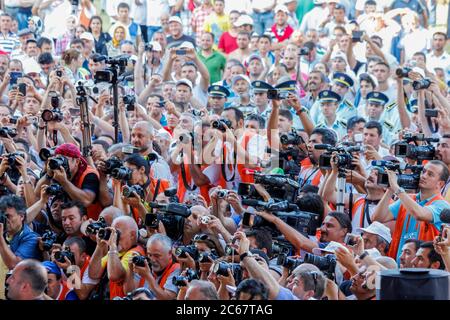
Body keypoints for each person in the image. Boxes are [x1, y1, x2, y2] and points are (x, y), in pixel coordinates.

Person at [373, 160, 450, 262]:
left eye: (430, 174)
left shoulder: (442, 205)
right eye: (424, 171)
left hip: (423, 270)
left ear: (440, 184)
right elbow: (378, 217)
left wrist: (397, 188)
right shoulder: (407, 198)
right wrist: (390, 189)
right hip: (400, 265)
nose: (424, 176)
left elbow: (420, 214)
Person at [125, 234, 180, 299]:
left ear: (170, 253)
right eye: (150, 255)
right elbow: (129, 292)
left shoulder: (176, 268)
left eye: (157, 256)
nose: (152, 260)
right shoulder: (144, 264)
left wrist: (148, 276)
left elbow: (167, 298)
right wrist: (130, 269)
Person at [0, 195, 41, 270]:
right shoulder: (4, 234)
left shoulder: (31, 238)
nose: (5, 220)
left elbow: (14, 265)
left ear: (21, 216)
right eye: (2, 217)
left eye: (8, 216)